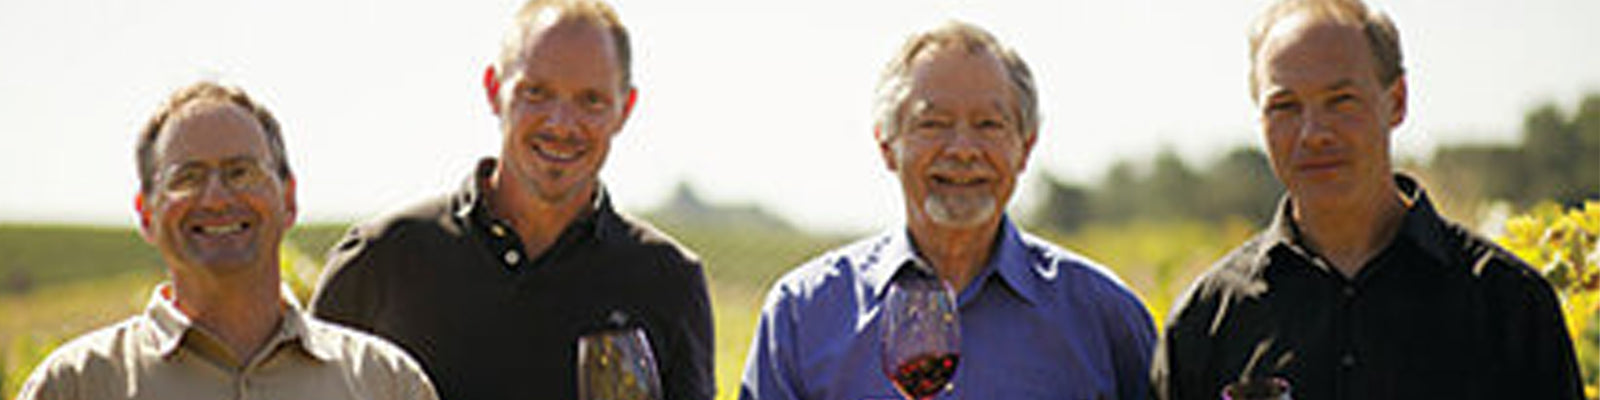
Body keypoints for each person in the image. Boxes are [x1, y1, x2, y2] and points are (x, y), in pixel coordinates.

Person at [1150, 0, 1584, 398]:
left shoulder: (1508, 305)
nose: (1313, 133)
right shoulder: (1205, 323)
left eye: (1341, 101)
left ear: (1396, 102)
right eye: (1285, 107)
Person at [308, 0, 714, 399]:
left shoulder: (669, 281)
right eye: (536, 92)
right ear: (493, 90)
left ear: (625, 109)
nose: (561, 123)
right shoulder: (382, 259)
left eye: (590, 100)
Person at [738, 21, 1156, 400]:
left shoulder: (1105, 317)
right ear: (887, 146)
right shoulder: (803, 315)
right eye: (933, 124)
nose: (962, 150)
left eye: (989, 125)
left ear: (1025, 147)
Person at [16, 82, 438, 400]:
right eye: (188, 178)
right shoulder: (76, 384)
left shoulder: (384, 382)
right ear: (146, 214)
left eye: (241, 172)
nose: (216, 198)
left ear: (288, 199)